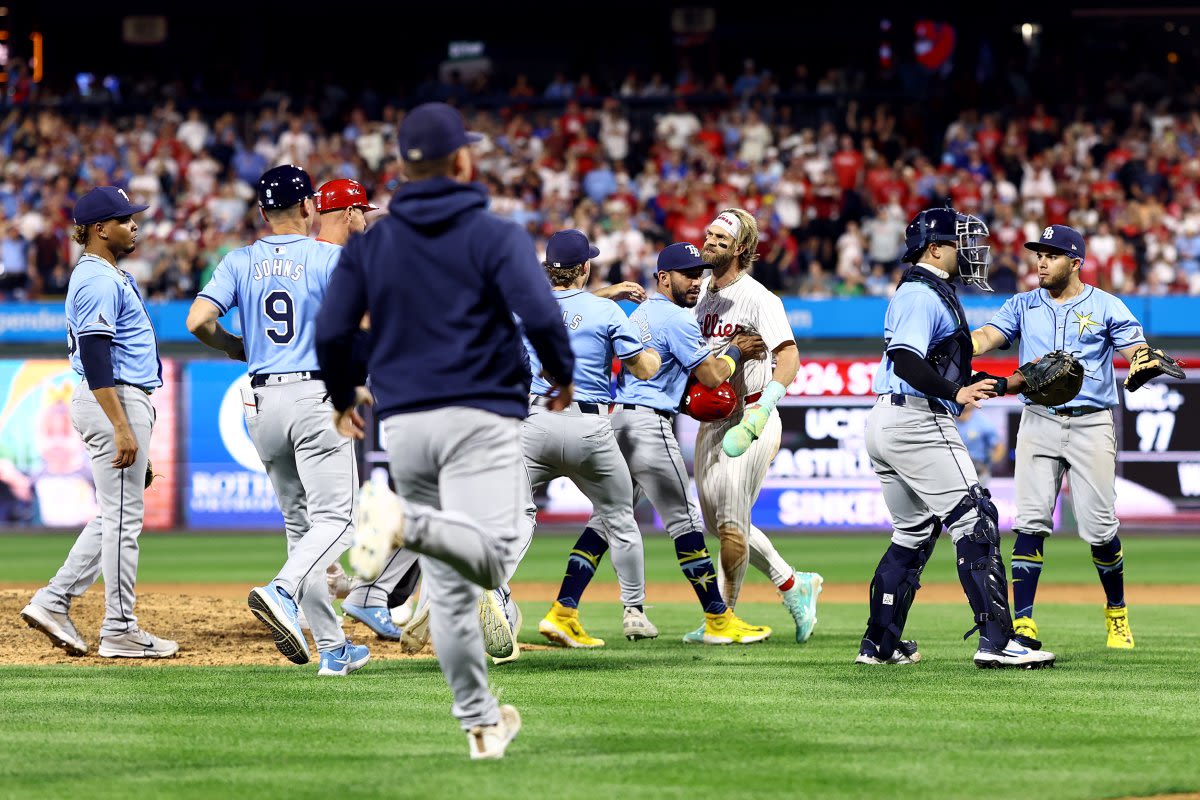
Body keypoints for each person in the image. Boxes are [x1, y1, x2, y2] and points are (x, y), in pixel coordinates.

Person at [313, 102, 575, 760]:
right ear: (462, 161)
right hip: (480, 414)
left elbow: (332, 331)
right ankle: (403, 526)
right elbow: (542, 314)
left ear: (403, 167)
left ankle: (482, 724)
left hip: (404, 425)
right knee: (492, 552)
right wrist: (562, 374)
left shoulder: (373, 242)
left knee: (453, 590)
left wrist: (343, 396)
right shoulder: (495, 234)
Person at [186, 164, 369, 677]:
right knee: (339, 521)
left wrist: (233, 346)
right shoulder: (328, 257)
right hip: (314, 394)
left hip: (261, 401)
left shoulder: (239, 260)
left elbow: (197, 321)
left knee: (301, 528)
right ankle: (281, 591)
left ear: (263, 213)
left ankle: (333, 650)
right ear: (310, 206)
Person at [857, 205, 1054, 669]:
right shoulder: (922, 293)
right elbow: (906, 360)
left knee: (914, 532)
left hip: (891, 420)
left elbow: (937, 363)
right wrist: (955, 391)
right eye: (960, 243)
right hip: (917, 421)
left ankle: (879, 645)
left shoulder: (927, 291)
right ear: (935, 248)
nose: (969, 252)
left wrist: (995, 383)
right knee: (976, 519)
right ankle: (998, 642)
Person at [547, 242, 774, 645]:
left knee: (605, 520)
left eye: (700, 273)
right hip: (651, 426)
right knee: (685, 522)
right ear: (663, 277)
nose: (696, 281)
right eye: (688, 274)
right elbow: (711, 378)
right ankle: (719, 620)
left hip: (618, 421)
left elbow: (573, 305)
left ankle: (563, 610)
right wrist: (737, 351)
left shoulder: (635, 312)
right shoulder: (678, 320)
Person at [971, 224, 1153, 650]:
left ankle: (1117, 614)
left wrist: (1144, 359)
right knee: (1030, 522)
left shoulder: (1107, 305)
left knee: (1101, 529)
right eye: (1038, 253)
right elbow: (987, 337)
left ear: (1075, 262)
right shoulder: (1022, 304)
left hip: (1091, 422)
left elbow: (1136, 347)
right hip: (1039, 419)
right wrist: (958, 342)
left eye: (1051, 255)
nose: (1041, 261)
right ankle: (1026, 623)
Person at [20, 186, 178, 659]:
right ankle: (120, 627)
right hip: (116, 401)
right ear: (98, 229)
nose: (134, 225)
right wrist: (123, 426)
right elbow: (94, 351)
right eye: (125, 218)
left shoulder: (106, 274)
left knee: (116, 515)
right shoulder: (97, 278)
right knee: (125, 521)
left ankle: (54, 600)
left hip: (119, 402)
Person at [683, 208, 823, 645]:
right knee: (722, 523)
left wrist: (764, 410)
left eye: (721, 238)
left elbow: (790, 357)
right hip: (712, 420)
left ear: (742, 248)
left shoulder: (760, 298)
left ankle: (722, 619)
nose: (710, 241)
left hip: (752, 416)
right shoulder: (702, 290)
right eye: (708, 234)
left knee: (729, 526)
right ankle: (793, 583)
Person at [531, 228, 663, 648]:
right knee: (621, 519)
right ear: (585, 268)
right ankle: (634, 611)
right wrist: (653, 353)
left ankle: (491, 595)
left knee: (510, 517)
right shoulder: (607, 314)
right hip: (591, 428)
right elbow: (643, 369)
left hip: (535, 423)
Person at [955, 404, 1005, 488]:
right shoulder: (947, 419)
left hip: (978, 472)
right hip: (954, 469)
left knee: (976, 499)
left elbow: (999, 448)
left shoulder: (983, 422)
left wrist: (987, 465)